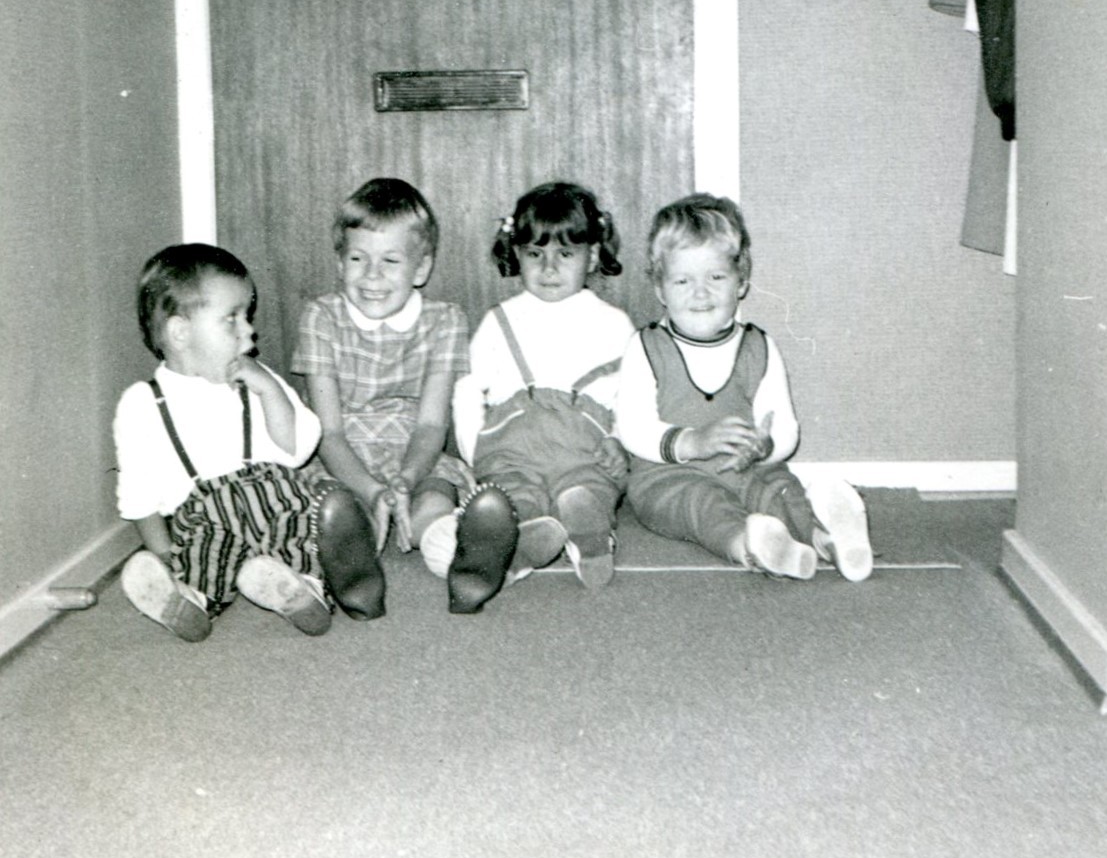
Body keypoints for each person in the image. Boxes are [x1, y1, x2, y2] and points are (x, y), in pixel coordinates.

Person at [115, 243, 383, 643]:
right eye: (232, 319)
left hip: (275, 500)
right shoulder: (142, 403)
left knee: (302, 526)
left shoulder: (257, 379)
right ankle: (190, 601)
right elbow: (139, 494)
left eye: (247, 316)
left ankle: (303, 590)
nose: (249, 330)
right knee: (202, 554)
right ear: (180, 332)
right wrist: (164, 554)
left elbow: (298, 449)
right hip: (205, 518)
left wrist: (270, 391)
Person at [615, 193, 873, 582]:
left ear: (741, 281)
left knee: (779, 489)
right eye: (683, 280)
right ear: (660, 290)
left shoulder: (759, 346)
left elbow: (784, 426)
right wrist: (693, 442)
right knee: (702, 505)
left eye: (716, 277)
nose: (700, 292)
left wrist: (763, 446)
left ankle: (831, 540)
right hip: (669, 475)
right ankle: (750, 545)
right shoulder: (646, 346)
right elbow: (632, 428)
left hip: (746, 467)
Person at [292, 177, 519, 615]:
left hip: (415, 453)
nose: (372, 275)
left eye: (390, 260)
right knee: (335, 507)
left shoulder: (444, 320)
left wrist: (406, 480)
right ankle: (355, 576)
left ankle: (466, 565)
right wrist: (373, 490)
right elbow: (329, 432)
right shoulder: (321, 317)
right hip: (342, 458)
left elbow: (432, 424)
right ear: (339, 262)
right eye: (357, 258)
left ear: (421, 269)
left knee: (433, 502)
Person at [452, 181, 636, 590]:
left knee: (589, 485)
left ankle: (591, 535)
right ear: (516, 253)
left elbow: (631, 395)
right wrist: (474, 448)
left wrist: (619, 440)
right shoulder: (499, 320)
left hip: (584, 444)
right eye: (535, 254)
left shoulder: (614, 323)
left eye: (565, 254)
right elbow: (468, 387)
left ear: (592, 256)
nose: (549, 268)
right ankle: (523, 541)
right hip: (513, 445)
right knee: (512, 496)